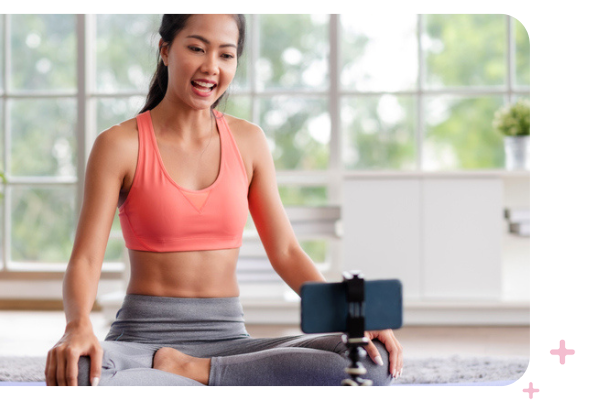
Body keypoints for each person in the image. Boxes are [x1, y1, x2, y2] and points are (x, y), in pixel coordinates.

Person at [45, 14, 403, 386]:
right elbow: (86, 258)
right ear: (165, 50)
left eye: (226, 55)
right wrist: (77, 326)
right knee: (81, 372)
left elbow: (286, 251)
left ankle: (194, 373)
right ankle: (216, 381)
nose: (211, 67)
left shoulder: (249, 142)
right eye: (197, 48)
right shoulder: (119, 145)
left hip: (230, 342)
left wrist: (350, 318)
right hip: (141, 343)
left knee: (368, 363)